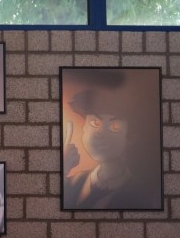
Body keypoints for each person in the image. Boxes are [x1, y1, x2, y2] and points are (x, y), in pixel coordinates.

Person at [62, 81, 159, 210]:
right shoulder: (74, 181)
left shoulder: (140, 195)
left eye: (115, 126)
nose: (100, 134)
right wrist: (64, 168)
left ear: (130, 137)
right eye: (95, 123)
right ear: (84, 127)